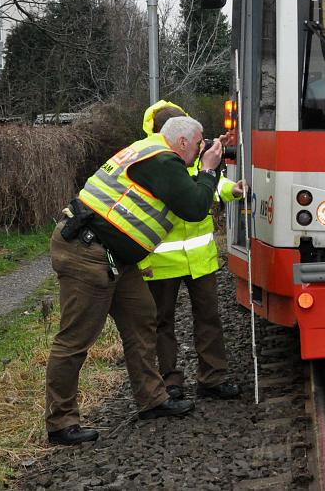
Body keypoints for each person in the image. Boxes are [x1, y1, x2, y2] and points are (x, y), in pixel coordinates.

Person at [45, 115, 223, 446]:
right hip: (88, 252)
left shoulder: (148, 150)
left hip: (115, 257)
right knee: (75, 338)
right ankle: (60, 422)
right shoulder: (161, 160)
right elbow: (195, 206)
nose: (201, 149)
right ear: (182, 142)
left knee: (143, 318)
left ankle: (152, 400)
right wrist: (209, 169)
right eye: (199, 144)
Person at [139, 101, 246, 402]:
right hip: (162, 260)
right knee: (162, 322)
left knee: (208, 317)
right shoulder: (153, 159)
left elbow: (209, 182)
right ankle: (169, 382)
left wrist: (230, 191)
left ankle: (212, 378)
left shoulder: (193, 153)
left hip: (198, 258)